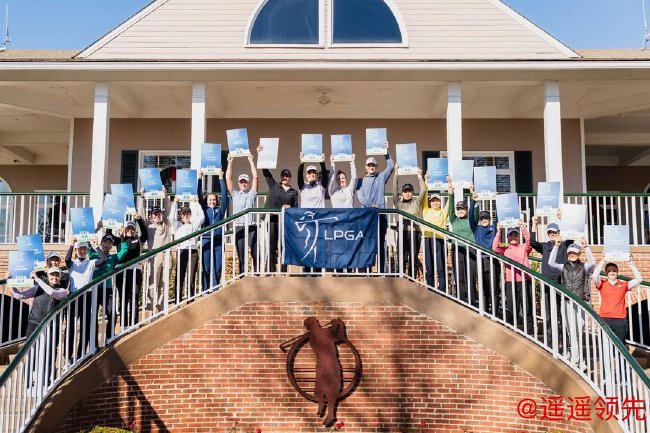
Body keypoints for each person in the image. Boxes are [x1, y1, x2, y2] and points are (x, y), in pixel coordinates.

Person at [9, 267, 69, 389]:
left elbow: (51, 293)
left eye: (57, 275)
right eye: (52, 275)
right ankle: (28, 382)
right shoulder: (38, 288)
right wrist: (10, 283)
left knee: (49, 353)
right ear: (48, 276)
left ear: (60, 277)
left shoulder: (62, 291)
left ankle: (45, 381)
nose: (54, 277)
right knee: (31, 353)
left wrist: (37, 279)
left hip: (51, 326)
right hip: (34, 324)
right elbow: (19, 295)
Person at [548, 239, 594, 370]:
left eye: (575, 252)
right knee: (571, 332)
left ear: (579, 254)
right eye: (570, 253)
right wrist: (556, 246)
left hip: (581, 302)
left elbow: (592, 263)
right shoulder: (563, 266)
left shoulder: (585, 267)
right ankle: (577, 360)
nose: (572, 255)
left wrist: (586, 247)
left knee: (578, 331)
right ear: (568, 254)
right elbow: (551, 263)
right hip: (567, 302)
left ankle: (577, 359)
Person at [64, 238, 108, 363]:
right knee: (71, 328)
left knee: (86, 326)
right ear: (76, 250)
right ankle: (68, 356)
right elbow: (66, 259)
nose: (82, 251)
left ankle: (80, 353)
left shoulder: (91, 263)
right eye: (80, 249)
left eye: (84, 249)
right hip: (73, 296)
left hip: (87, 296)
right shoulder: (72, 263)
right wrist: (71, 244)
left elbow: (104, 259)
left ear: (87, 251)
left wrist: (96, 246)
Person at [531, 217, 573, 342]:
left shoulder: (565, 244)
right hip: (548, 283)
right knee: (549, 312)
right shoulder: (545, 246)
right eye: (550, 232)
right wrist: (534, 224)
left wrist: (561, 219)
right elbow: (532, 242)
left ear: (558, 232)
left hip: (562, 282)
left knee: (563, 312)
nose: (552, 234)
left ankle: (565, 340)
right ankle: (550, 341)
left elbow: (572, 234)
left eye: (554, 232)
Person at [356, 142, 394, 273]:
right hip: (366, 216)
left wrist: (386, 151)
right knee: (366, 243)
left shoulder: (381, 177)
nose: (371, 167)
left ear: (376, 167)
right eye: (369, 165)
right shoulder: (360, 181)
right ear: (366, 167)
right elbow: (360, 197)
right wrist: (370, 204)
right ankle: (366, 271)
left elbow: (391, 166)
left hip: (380, 215)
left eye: (373, 165)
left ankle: (381, 271)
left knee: (380, 244)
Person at [591, 251, 643, 344]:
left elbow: (639, 279)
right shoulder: (602, 284)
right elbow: (594, 276)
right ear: (606, 273)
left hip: (620, 319)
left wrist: (631, 265)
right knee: (605, 344)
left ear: (617, 272)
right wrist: (602, 261)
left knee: (620, 345)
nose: (612, 272)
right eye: (609, 271)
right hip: (605, 318)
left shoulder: (623, 285)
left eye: (614, 270)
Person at [261, 147, 299, 273]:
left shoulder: (294, 192)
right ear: (281, 176)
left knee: (283, 246)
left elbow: (296, 208)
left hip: (285, 222)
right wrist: (261, 154)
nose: (285, 177)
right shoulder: (274, 186)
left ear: (290, 178)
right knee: (272, 246)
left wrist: (290, 208)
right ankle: (272, 272)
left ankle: (283, 272)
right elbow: (265, 172)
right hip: (272, 220)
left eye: (287, 176)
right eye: (283, 175)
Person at [492, 220, 533, 332]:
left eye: (515, 235)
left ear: (518, 237)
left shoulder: (524, 247)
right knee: (512, 307)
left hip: (524, 280)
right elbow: (494, 248)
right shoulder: (505, 249)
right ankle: (512, 330)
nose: (513, 237)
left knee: (527, 307)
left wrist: (523, 228)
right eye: (511, 235)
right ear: (507, 237)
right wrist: (499, 231)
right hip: (510, 282)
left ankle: (529, 331)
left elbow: (529, 242)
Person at [139, 188, 173, 313]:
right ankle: (151, 309)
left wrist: (165, 195)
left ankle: (162, 309)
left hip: (167, 255)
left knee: (164, 284)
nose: (157, 216)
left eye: (158, 213)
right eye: (154, 214)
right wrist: (142, 197)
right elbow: (141, 216)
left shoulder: (166, 223)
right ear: (151, 216)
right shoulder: (149, 226)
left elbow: (169, 211)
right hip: (154, 256)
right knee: (153, 284)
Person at [468, 187, 500, 313]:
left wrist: (496, 200)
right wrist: (473, 200)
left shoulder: (493, 228)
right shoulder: (476, 229)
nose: (484, 220)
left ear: (489, 219)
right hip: (480, 261)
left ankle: (495, 313)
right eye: (482, 218)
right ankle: (486, 312)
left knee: (494, 289)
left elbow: (498, 218)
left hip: (493, 261)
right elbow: (471, 217)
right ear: (480, 220)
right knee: (484, 288)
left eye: (486, 218)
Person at [226, 153, 259, 275]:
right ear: (239, 183)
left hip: (251, 226)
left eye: (245, 182)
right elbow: (228, 179)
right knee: (241, 255)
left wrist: (251, 161)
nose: (243, 184)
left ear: (248, 183)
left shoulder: (252, 194)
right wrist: (230, 162)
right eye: (241, 182)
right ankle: (242, 277)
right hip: (239, 226)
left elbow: (256, 177)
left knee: (255, 253)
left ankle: (256, 275)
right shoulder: (235, 194)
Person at [448, 180, 479, 305]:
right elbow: (450, 209)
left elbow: (475, 212)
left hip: (470, 248)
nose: (460, 210)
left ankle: (471, 301)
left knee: (470, 275)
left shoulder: (471, 220)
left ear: (466, 209)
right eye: (458, 209)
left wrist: (473, 197)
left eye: (463, 208)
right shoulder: (454, 220)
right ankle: (461, 299)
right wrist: (451, 193)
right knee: (459, 275)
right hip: (457, 248)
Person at [198, 170, 228, 291]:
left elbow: (224, 196)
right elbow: (199, 195)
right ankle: (205, 290)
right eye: (210, 199)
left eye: (214, 199)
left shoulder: (220, 210)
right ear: (206, 200)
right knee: (207, 267)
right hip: (206, 240)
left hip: (218, 240)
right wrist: (200, 179)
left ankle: (215, 289)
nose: (212, 201)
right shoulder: (203, 209)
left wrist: (221, 178)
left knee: (218, 267)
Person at [392, 167, 426, 278]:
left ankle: (412, 280)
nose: (407, 193)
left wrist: (419, 176)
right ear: (402, 193)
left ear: (412, 193)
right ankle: (401, 280)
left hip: (415, 233)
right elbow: (394, 191)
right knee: (402, 257)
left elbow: (423, 191)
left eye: (409, 191)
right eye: (405, 191)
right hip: (403, 233)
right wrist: (396, 175)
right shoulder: (398, 204)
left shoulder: (416, 203)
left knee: (413, 258)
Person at [115, 217, 148, 328]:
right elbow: (108, 234)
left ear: (135, 230)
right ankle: (124, 326)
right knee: (123, 298)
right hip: (121, 272)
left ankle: (134, 325)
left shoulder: (138, 240)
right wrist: (111, 221)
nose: (130, 230)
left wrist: (139, 220)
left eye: (132, 228)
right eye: (128, 228)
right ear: (125, 229)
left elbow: (145, 234)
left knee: (134, 297)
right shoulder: (119, 240)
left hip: (135, 271)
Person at [170, 197, 205, 300]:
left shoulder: (193, 226)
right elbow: (171, 218)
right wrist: (175, 203)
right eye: (184, 214)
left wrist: (197, 203)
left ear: (190, 215)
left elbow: (202, 217)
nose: (186, 215)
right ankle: (178, 301)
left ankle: (190, 299)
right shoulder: (177, 225)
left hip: (193, 251)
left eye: (188, 214)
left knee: (191, 276)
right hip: (181, 251)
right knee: (179, 276)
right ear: (181, 215)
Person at [422, 189, 449, 291]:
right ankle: (431, 289)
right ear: (429, 202)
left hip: (440, 240)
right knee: (429, 267)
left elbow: (449, 203)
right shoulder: (426, 210)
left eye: (437, 200)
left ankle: (442, 290)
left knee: (441, 267)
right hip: (428, 240)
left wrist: (450, 191)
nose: (435, 203)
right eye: (433, 201)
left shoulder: (443, 212)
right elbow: (424, 195)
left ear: (440, 202)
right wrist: (425, 182)